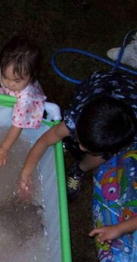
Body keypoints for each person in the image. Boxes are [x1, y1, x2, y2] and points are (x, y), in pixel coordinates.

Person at [18, 71, 137, 201]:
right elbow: (43, 142)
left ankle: (78, 170)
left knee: (101, 157)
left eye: (86, 148)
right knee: (64, 131)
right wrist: (26, 173)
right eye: (80, 140)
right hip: (100, 83)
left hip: (129, 97)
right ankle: (68, 142)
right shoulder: (77, 115)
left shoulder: (127, 135)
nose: (80, 147)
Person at [0, 36, 46, 168]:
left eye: (17, 81)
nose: (10, 83)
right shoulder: (8, 68)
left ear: (32, 76)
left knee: (15, 119)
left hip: (27, 107)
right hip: (9, 95)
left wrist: (4, 148)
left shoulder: (25, 98)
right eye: (6, 77)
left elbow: (17, 126)